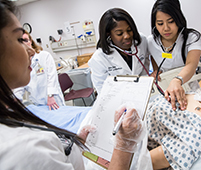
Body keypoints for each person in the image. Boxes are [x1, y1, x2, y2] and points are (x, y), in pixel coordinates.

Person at [0, 1, 144, 169]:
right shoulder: (25, 149)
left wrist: (75, 145)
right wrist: (125, 144)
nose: (31, 51)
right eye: (19, 39)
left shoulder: (14, 124)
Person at [148, 0, 201, 111]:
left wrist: (177, 80)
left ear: (178, 19)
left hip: (190, 90)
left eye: (171, 21)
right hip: (164, 94)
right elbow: (156, 67)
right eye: (160, 23)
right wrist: (154, 73)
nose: (166, 28)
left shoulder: (192, 37)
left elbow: (191, 65)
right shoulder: (151, 42)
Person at [88, 8, 150, 94]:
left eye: (129, 30)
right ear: (108, 34)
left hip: (143, 93)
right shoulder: (99, 59)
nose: (127, 36)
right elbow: (103, 92)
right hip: (118, 102)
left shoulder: (141, 41)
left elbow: (145, 71)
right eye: (119, 33)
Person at [13, 31, 65, 110]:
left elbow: (52, 77)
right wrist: (14, 100)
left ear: (31, 41)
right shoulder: (19, 64)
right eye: (21, 41)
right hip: (37, 102)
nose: (24, 43)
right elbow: (20, 86)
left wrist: (50, 96)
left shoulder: (44, 56)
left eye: (26, 40)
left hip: (53, 99)